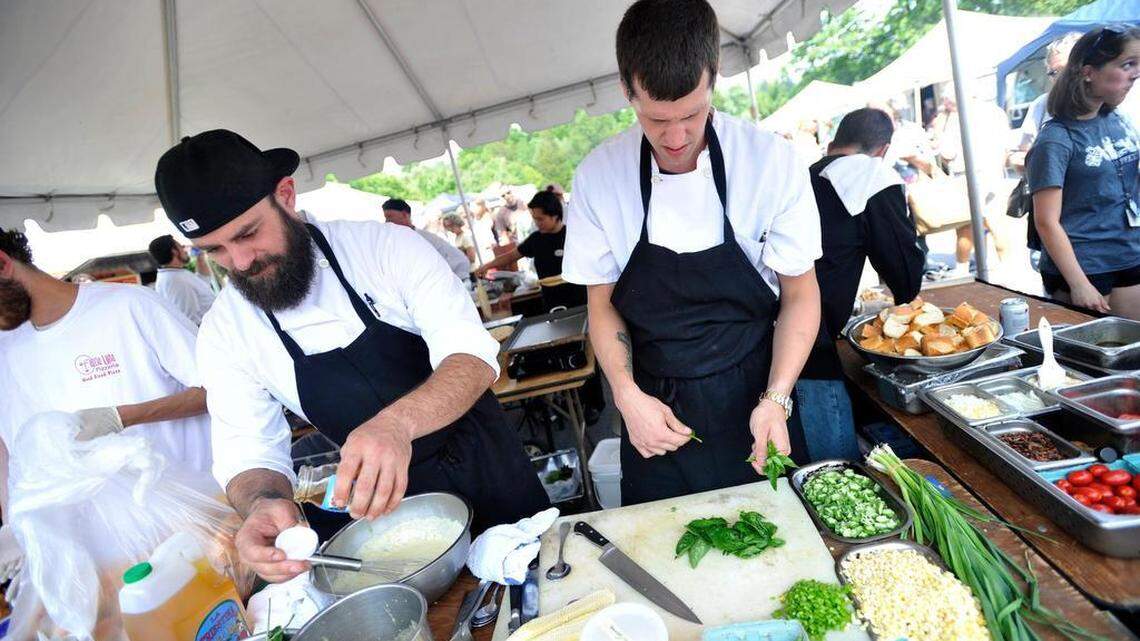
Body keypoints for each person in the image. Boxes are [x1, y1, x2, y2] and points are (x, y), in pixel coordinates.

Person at [155, 130, 548, 582]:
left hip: (492, 474)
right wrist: (263, 503)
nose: (241, 262)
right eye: (215, 251)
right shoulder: (225, 331)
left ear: (285, 195)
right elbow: (247, 448)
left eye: (248, 234)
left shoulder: (385, 249)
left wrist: (397, 423)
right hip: (393, 525)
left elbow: (472, 355)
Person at [562, 0, 822, 505]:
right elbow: (602, 304)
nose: (677, 137)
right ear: (626, 90)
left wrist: (778, 398)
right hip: (651, 405)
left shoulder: (769, 162)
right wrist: (625, 394)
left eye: (693, 113)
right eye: (656, 118)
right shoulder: (599, 177)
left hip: (758, 396)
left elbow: (800, 294)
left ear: (714, 78)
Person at [800, 108, 925, 460]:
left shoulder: (807, 174)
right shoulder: (869, 174)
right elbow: (904, 270)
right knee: (834, 462)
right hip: (810, 338)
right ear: (883, 149)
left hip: (776, 330)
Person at [1029, 26, 1140, 318]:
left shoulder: (1118, 118)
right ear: (1089, 72)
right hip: (1084, 265)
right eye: (1127, 64)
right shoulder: (1056, 138)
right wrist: (1079, 284)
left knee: (1131, 355)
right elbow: (1046, 222)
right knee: (1092, 360)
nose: (1136, 73)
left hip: (1128, 254)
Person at [474, 190, 587, 309]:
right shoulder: (535, 239)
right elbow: (510, 257)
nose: (537, 223)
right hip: (551, 301)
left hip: (578, 298)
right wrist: (486, 266)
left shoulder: (573, 236)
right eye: (535, 219)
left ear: (555, 216)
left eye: (541, 219)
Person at [1010, 33, 1083, 170]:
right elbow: (1024, 153)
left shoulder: (1112, 104)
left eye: (1067, 70)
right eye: (1054, 73)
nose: (1061, 78)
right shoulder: (1042, 105)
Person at [382, 198, 471, 284]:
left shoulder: (425, 239)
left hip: (452, 283)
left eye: (389, 217)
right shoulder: (396, 242)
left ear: (405, 214)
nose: (387, 222)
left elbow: (461, 261)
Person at [148, 234, 218, 325]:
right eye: (181, 246)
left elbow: (204, 280)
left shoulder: (174, 274)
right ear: (174, 252)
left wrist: (200, 257)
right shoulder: (175, 281)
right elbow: (190, 319)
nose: (184, 249)